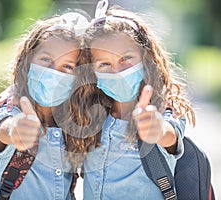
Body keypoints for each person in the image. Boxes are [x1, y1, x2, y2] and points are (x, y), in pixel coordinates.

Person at [74, 1, 196, 199]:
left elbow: (170, 134)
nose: (118, 71)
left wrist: (156, 130)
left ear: (146, 58)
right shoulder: (87, 111)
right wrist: (16, 92)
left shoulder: (165, 108)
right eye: (104, 64)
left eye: (126, 59)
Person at [0, 11, 90, 199]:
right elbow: (4, 129)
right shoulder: (8, 110)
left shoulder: (71, 123)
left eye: (68, 66)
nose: (54, 72)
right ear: (28, 62)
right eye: (46, 60)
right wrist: (18, 130)